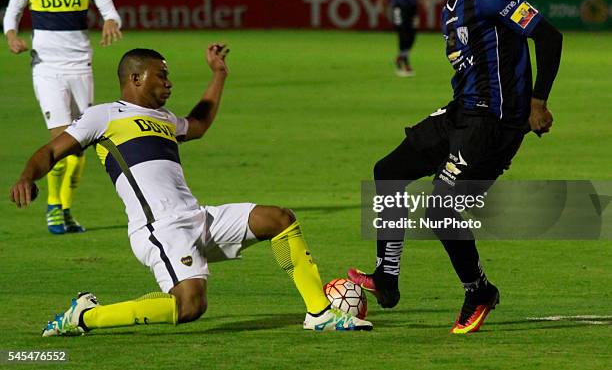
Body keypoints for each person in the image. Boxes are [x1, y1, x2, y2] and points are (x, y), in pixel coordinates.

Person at [10, 44, 373, 335]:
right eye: (161, 76)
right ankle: (86, 317)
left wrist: (218, 74)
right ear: (135, 78)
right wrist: (28, 176)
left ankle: (319, 313)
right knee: (190, 307)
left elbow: (198, 124)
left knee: (278, 219)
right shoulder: (104, 115)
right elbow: (52, 150)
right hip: (160, 229)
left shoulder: (165, 119)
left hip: (197, 217)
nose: (169, 83)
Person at [349, 0, 562, 333]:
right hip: (461, 114)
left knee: (441, 208)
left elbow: (549, 37)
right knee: (388, 172)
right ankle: (386, 278)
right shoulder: (452, 3)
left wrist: (538, 101)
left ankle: (479, 290)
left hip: (494, 126)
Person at [3, 0, 122, 235]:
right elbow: (11, 12)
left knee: (80, 141)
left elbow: (109, 10)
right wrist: (12, 35)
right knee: (61, 138)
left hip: (80, 64)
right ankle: (54, 207)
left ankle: (65, 209)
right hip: (47, 68)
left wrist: (111, 21)